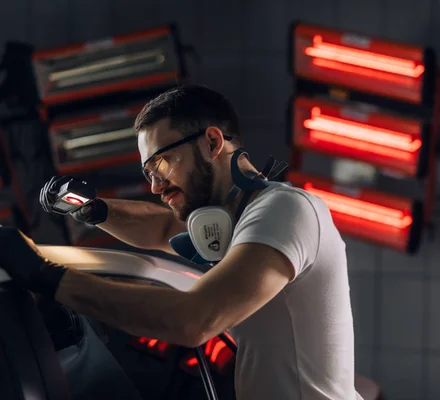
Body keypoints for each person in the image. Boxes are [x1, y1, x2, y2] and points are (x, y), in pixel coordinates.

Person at [0, 84, 363, 400]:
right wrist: (93, 210)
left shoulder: (286, 209)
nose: (155, 186)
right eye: (148, 173)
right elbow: (159, 229)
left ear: (211, 142)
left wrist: (49, 276)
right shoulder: (233, 228)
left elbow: (195, 319)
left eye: (161, 164)